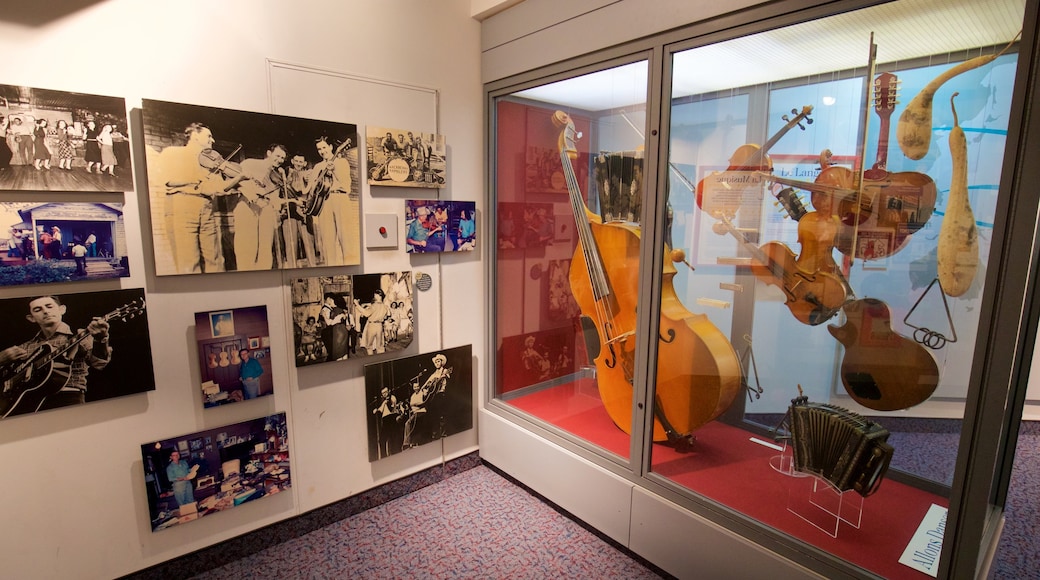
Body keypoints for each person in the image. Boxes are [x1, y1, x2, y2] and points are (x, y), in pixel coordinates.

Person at [0, 295, 111, 415]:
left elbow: (99, 364)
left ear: (62, 309)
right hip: (27, 402)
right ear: (31, 318)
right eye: (38, 309)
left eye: (49, 306)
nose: (46, 311)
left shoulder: (79, 336)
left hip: (68, 398)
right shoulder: (25, 347)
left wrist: (101, 339)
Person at [153, 122, 231, 273]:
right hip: (182, 204)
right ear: (195, 136)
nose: (212, 140)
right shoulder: (173, 152)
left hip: (207, 206)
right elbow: (165, 178)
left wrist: (237, 180)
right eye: (209, 136)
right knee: (188, 262)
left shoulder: (211, 161)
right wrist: (194, 177)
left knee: (215, 260)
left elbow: (219, 187)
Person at [225, 144, 287, 270]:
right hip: (248, 205)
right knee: (247, 246)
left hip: (266, 208)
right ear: (269, 153)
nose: (279, 160)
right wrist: (250, 193)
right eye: (278, 155)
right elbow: (237, 181)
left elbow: (274, 197)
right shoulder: (250, 163)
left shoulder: (276, 176)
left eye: (282, 158)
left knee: (265, 247)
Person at [309, 136, 355, 266]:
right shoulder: (318, 166)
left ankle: (350, 268)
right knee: (328, 240)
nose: (322, 151)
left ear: (331, 147)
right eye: (319, 149)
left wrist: (334, 169)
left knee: (346, 238)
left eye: (324, 147)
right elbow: (312, 187)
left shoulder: (342, 162)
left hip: (340, 198)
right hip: (324, 201)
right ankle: (331, 270)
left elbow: (346, 185)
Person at [353, 289, 388, 355]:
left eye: (375, 294)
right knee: (380, 346)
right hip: (380, 326)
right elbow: (386, 316)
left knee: (369, 345)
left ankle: (371, 359)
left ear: (377, 295)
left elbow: (366, 314)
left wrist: (357, 304)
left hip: (372, 325)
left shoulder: (374, 305)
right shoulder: (384, 306)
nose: (374, 296)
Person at [372, 386, 401, 458]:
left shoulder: (392, 397)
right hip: (385, 420)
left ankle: (396, 455)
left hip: (391, 418)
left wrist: (385, 402)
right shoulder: (384, 401)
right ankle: (384, 457)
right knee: (382, 440)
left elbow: (391, 408)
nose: (385, 394)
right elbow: (380, 410)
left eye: (386, 392)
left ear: (389, 391)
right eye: (383, 393)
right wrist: (376, 410)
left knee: (394, 438)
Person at [319, 292, 349, 361]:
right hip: (343, 331)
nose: (327, 301)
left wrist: (324, 315)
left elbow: (330, 323)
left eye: (329, 299)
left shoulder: (334, 311)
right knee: (344, 352)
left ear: (332, 300)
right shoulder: (340, 309)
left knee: (338, 353)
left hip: (338, 331)